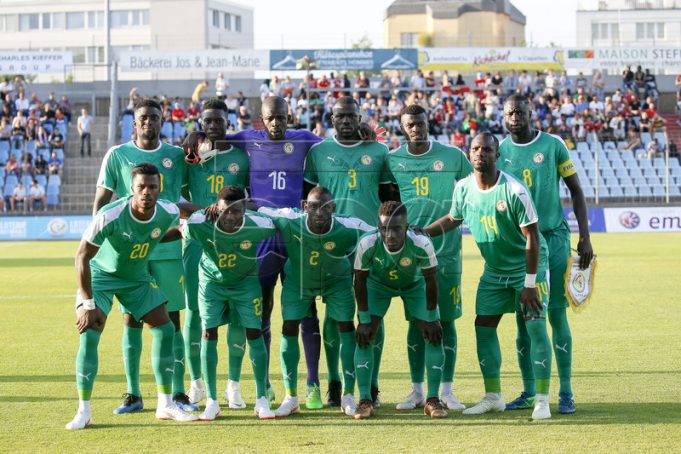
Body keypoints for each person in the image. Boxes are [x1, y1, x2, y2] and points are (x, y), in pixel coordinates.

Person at [184, 96, 323, 408]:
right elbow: (216, 135)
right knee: (262, 308)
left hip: (295, 234)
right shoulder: (248, 138)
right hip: (261, 236)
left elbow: (335, 144)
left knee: (306, 307)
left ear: (291, 116)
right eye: (270, 118)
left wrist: (367, 133)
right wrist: (196, 135)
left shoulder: (304, 140)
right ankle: (267, 383)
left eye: (282, 118)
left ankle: (312, 382)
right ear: (262, 118)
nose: (276, 124)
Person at [422, 132, 553, 420]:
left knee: (535, 327)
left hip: (526, 269)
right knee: (483, 326)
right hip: (494, 271)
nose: (481, 153)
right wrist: (422, 233)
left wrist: (530, 283)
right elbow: (454, 218)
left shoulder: (514, 190)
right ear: (469, 154)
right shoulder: (463, 188)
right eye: (476, 148)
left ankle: (542, 400)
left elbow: (532, 237)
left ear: (497, 155)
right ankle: (493, 396)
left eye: (487, 149)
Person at [65, 163, 199, 430]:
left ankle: (165, 404)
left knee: (165, 328)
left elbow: (183, 214)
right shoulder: (111, 214)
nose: (146, 192)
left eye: (152, 187)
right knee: (90, 331)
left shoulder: (166, 210)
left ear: (160, 189)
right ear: (131, 189)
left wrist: (213, 211)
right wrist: (88, 304)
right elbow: (82, 256)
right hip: (101, 275)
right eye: (141, 187)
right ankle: (84, 411)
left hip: (136, 278)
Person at [93, 99, 194, 414]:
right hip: (129, 254)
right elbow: (100, 205)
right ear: (134, 123)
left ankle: (177, 393)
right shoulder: (117, 155)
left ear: (163, 121)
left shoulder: (177, 156)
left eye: (154, 117)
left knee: (172, 318)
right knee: (131, 319)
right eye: (143, 117)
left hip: (165, 248)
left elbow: (192, 189)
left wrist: (196, 135)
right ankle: (133, 394)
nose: (149, 121)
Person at [498, 94, 593, 415]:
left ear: (530, 114)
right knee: (524, 321)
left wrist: (586, 237)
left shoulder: (553, 145)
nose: (515, 117)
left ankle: (566, 391)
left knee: (555, 313)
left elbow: (577, 191)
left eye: (520, 112)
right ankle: (528, 390)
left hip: (552, 239)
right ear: (503, 115)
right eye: (510, 113)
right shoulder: (499, 151)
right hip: (518, 244)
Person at [303, 96, 395, 406]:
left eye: (351, 116)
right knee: (335, 316)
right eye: (340, 116)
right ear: (331, 118)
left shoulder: (379, 151)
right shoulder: (318, 152)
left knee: (372, 317)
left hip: (370, 244)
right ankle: (335, 382)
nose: (345, 121)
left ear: (360, 117)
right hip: (332, 244)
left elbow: (388, 196)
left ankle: (372, 385)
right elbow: (308, 198)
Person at [257, 187, 373, 418]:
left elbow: (379, 233)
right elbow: (257, 208)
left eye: (325, 207)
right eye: (313, 206)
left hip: (336, 282)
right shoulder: (290, 218)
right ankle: (291, 398)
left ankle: (348, 395)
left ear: (333, 208)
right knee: (289, 328)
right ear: (304, 206)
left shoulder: (348, 226)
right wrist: (219, 208)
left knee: (346, 328)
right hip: (299, 282)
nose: (319, 212)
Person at [387, 104, 473, 412]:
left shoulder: (452, 156)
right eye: (410, 124)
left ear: (428, 123)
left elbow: (470, 195)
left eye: (420, 123)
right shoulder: (392, 158)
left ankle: (447, 390)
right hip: (409, 254)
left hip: (448, 252)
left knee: (446, 320)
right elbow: (386, 198)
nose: (416, 128)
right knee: (416, 320)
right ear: (402, 126)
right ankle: (417, 390)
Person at [170, 186, 277, 420]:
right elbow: (179, 229)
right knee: (209, 334)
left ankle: (261, 400)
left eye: (236, 211)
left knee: (254, 334)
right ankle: (212, 402)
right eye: (224, 211)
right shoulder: (200, 222)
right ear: (216, 209)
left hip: (246, 284)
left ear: (245, 208)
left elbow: (284, 221)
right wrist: (148, 240)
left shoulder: (261, 224)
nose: (230, 217)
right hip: (212, 284)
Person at [181, 98, 249, 407]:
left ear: (227, 121)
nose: (213, 126)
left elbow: (250, 198)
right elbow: (177, 200)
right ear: (201, 122)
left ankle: (233, 384)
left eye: (218, 120)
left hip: (234, 244)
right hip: (196, 243)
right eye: (207, 121)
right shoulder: (191, 157)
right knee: (194, 312)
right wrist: (205, 211)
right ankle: (196, 382)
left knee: (236, 312)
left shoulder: (241, 158)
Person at [353, 201, 446, 420]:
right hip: (378, 286)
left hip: (414, 286)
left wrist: (432, 318)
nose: (390, 235)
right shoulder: (367, 243)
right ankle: (365, 400)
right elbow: (359, 281)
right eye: (384, 228)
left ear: (406, 226)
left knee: (434, 335)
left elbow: (431, 281)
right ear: (378, 226)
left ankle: (432, 399)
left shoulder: (421, 243)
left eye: (396, 228)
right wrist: (364, 319)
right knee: (365, 335)